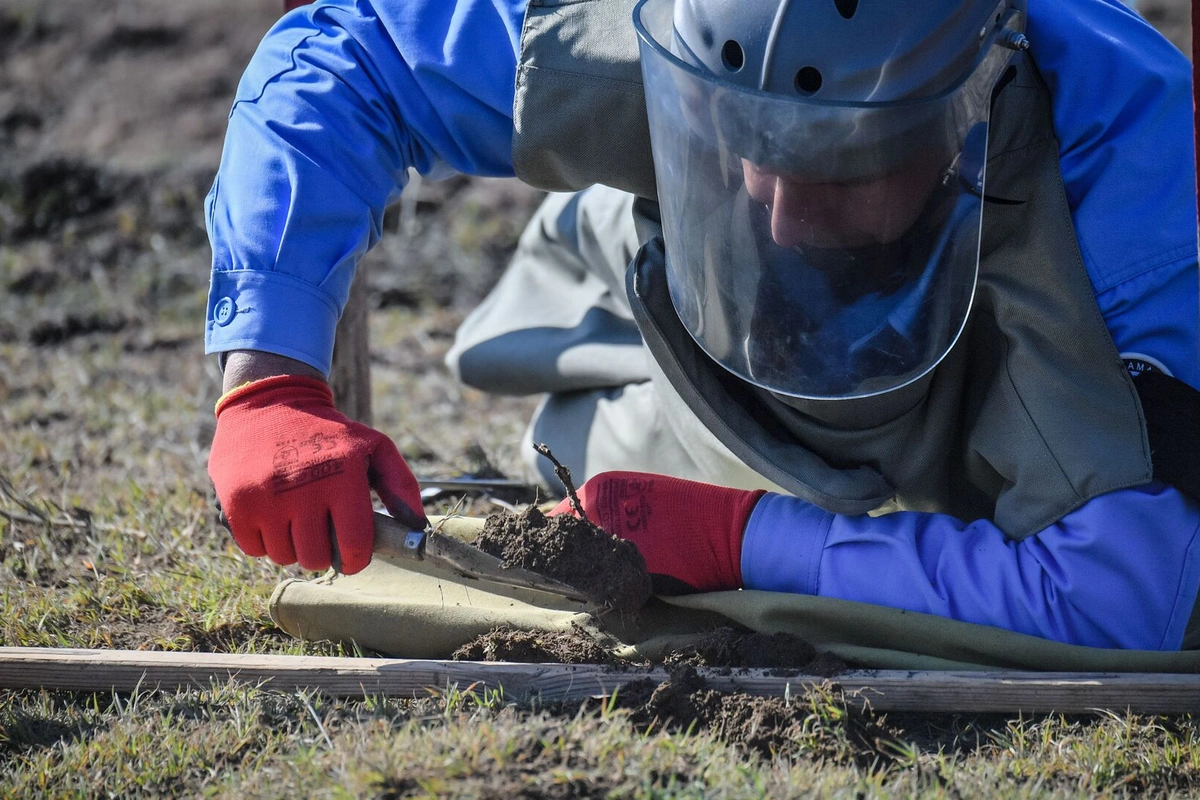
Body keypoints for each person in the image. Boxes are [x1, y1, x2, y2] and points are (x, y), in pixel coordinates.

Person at [205, 0, 1200, 650]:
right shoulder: (680, 29)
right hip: (690, 362)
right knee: (581, 456)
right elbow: (342, 53)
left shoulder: (1136, 213)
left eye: (837, 167)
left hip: (993, 415)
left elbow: (1119, 600)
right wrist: (271, 377)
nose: (780, 213)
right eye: (749, 147)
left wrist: (747, 540)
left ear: (966, 112)